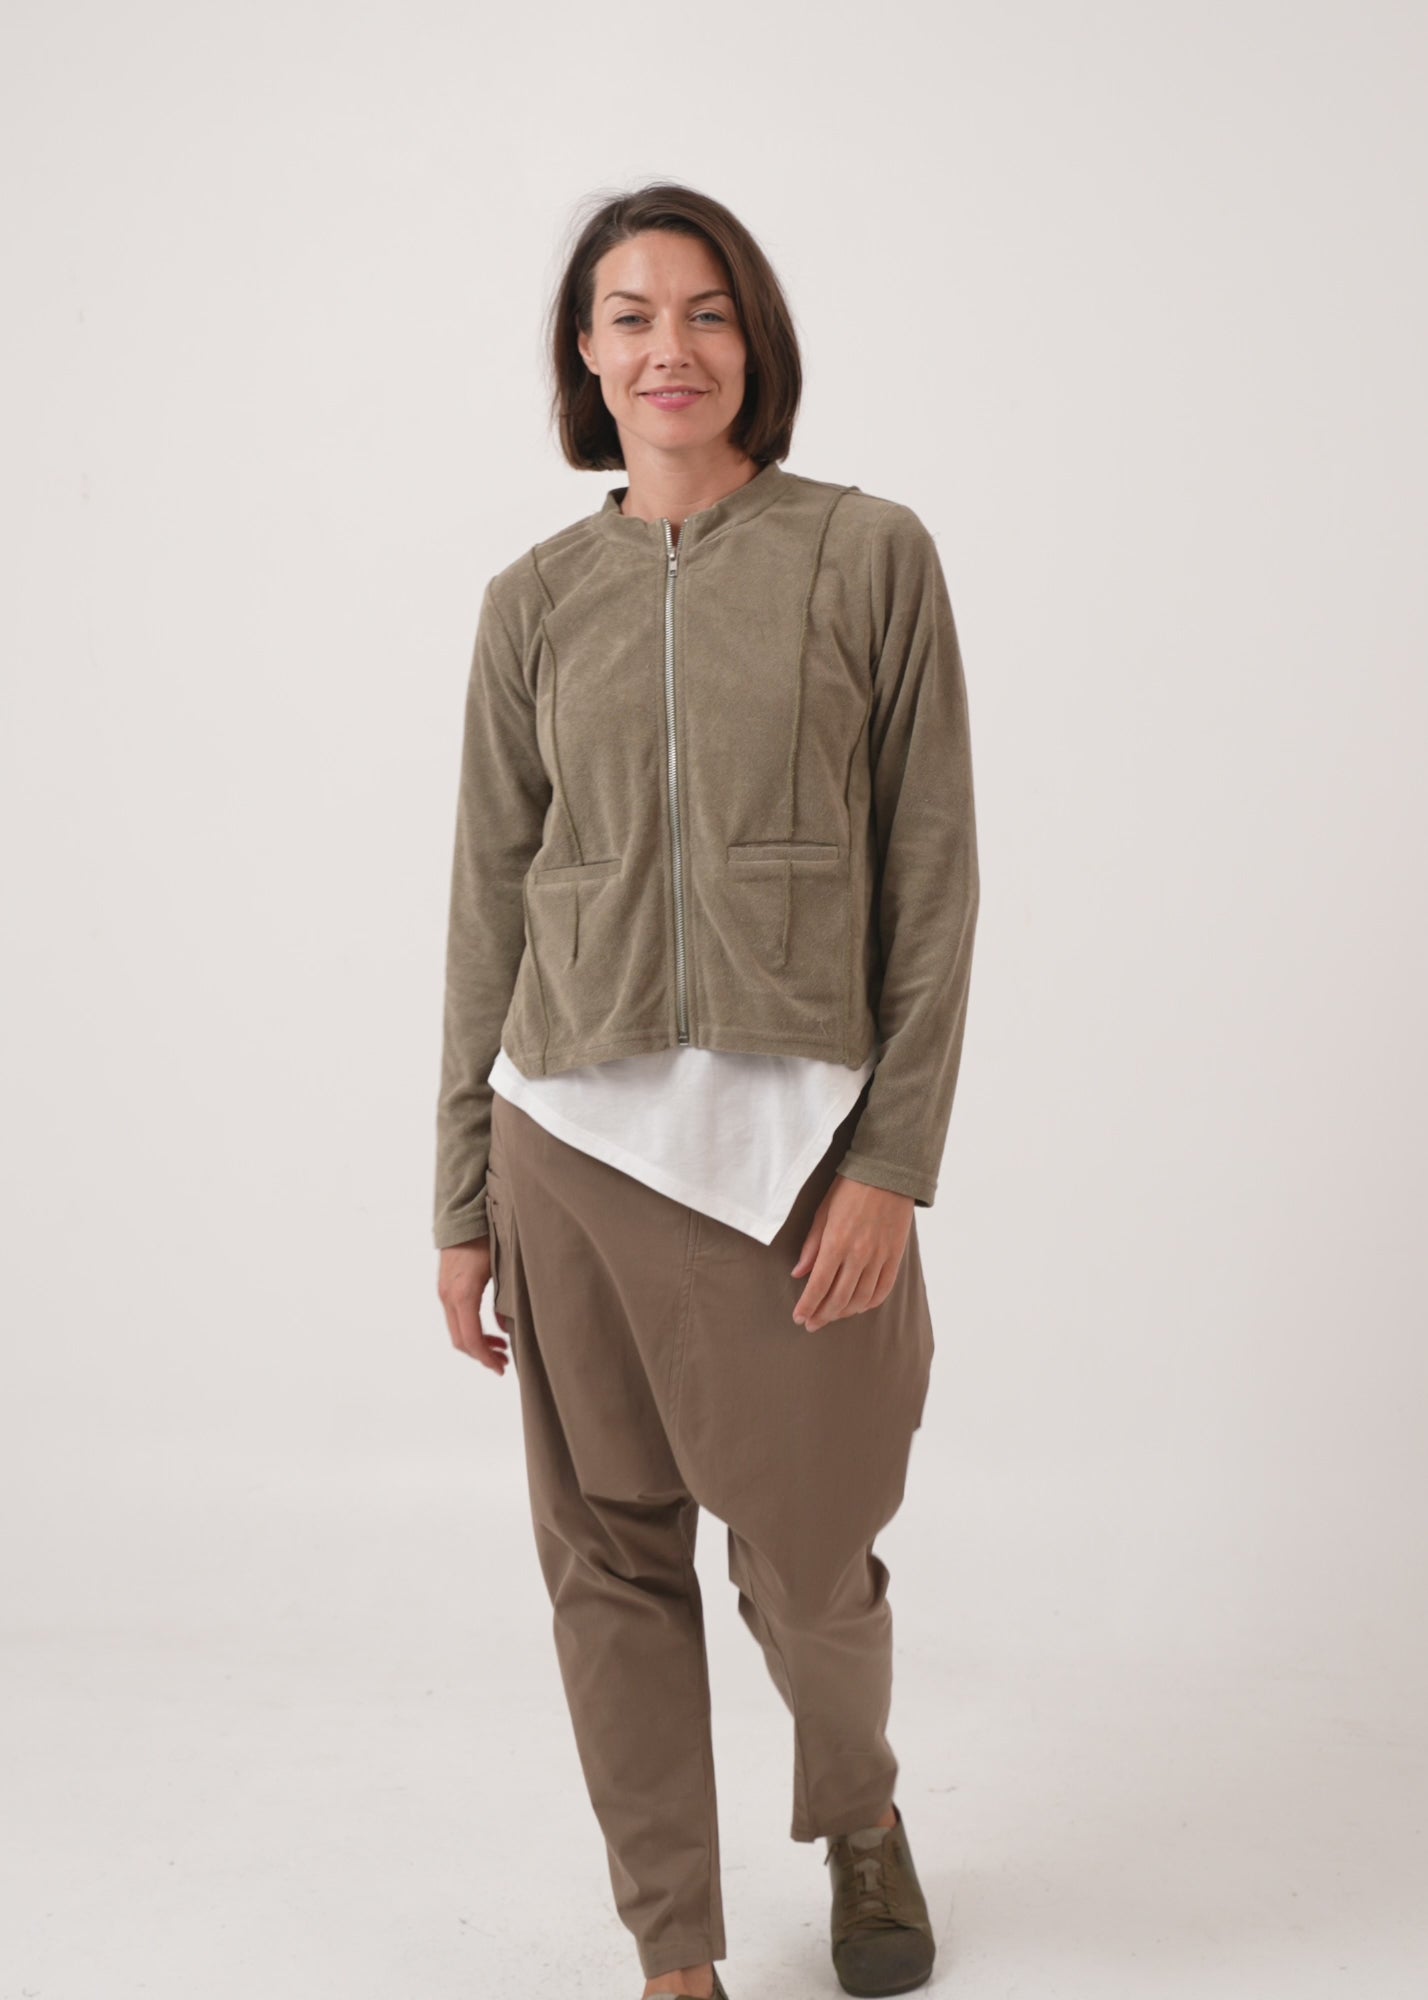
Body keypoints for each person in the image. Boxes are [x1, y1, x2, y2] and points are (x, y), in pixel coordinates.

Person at [433, 181, 980, 2000]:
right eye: (631, 315)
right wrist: (461, 1198)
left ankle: (860, 1806)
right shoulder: (532, 603)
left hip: (796, 1160)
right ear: (585, 358)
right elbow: (487, 903)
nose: (670, 346)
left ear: (756, 340)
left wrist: (893, 1159)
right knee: (611, 1564)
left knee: (812, 1563)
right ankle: (676, 1954)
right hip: (569, 1143)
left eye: (707, 310)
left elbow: (934, 874)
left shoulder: (866, 555)